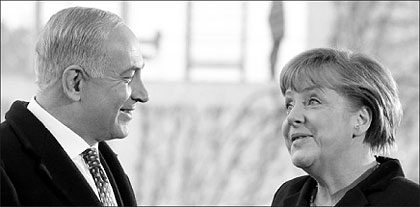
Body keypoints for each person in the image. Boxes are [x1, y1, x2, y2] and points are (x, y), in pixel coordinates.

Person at [1, 6, 148, 206]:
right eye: (128, 78)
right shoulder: (5, 164)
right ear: (75, 83)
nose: (143, 95)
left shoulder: (101, 162)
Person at [271, 48, 419, 206]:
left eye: (313, 101)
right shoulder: (287, 196)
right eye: (289, 105)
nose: (292, 117)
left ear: (361, 120)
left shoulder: (409, 201)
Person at [269, 1, 285, 81]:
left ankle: (273, 74)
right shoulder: (277, 3)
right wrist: (276, 32)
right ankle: (272, 74)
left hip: (278, 33)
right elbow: (272, 18)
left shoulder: (279, 3)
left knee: (276, 52)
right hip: (276, 33)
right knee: (274, 53)